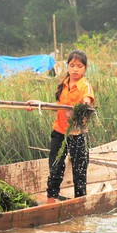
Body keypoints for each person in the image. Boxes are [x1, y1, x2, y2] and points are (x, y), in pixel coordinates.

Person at [28, 50, 94, 203]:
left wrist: (78, 110)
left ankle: (79, 202)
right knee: (55, 167)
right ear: (68, 67)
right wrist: (38, 104)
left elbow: (87, 102)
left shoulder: (85, 87)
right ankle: (51, 200)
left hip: (77, 134)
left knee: (79, 171)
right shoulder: (63, 84)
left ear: (85, 68)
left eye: (79, 66)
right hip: (59, 132)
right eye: (72, 66)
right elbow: (57, 106)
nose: (75, 69)